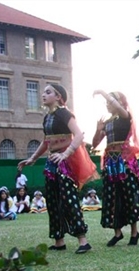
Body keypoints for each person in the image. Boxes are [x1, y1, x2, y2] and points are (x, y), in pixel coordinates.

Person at [18, 84, 98, 254]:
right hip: (51, 163)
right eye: (44, 92)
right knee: (52, 201)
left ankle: (83, 241)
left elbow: (78, 135)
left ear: (59, 97)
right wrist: (32, 158)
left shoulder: (64, 113)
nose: (43, 95)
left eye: (48, 92)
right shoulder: (47, 118)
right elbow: (46, 141)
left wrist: (66, 154)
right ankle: (59, 240)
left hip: (65, 163)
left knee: (69, 200)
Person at [92, 89, 139, 246]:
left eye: (111, 101)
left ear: (119, 103)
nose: (108, 104)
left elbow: (118, 106)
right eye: (107, 102)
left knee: (129, 195)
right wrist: (98, 129)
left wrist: (103, 92)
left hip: (125, 161)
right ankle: (117, 233)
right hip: (111, 162)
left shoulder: (125, 117)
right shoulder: (108, 123)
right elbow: (95, 144)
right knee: (112, 196)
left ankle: (134, 233)